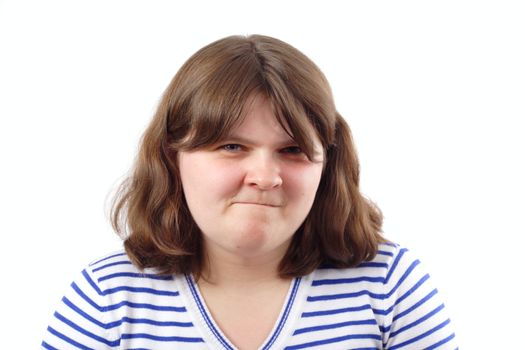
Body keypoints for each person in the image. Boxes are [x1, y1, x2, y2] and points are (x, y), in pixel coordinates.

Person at [41, 34, 457, 350]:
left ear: (326, 164)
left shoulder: (390, 284)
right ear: (174, 157)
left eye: (292, 149)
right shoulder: (108, 298)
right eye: (231, 146)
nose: (265, 176)